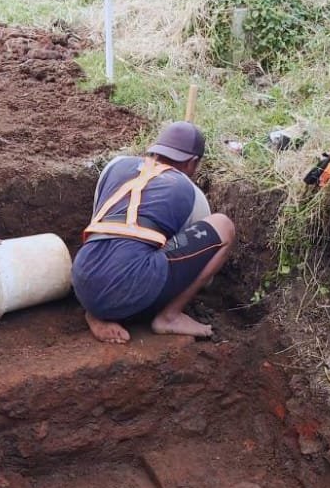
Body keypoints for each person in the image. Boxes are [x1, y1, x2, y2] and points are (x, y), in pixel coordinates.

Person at [71, 121, 236, 345]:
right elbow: (196, 269)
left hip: (82, 277)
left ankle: (95, 312)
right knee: (223, 226)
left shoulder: (115, 165)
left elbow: (98, 220)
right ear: (193, 162)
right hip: (129, 285)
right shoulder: (190, 192)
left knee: (125, 250)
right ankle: (170, 316)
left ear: (155, 149)